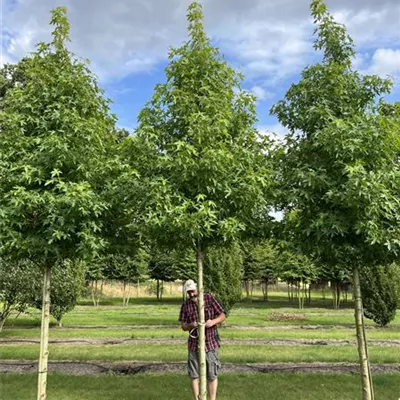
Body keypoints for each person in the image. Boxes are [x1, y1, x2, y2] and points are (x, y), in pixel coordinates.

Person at [179, 279, 226, 400]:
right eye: (188, 292)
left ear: (198, 288)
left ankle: (212, 399)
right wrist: (191, 325)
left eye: (193, 291)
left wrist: (213, 322)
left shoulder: (209, 299)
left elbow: (222, 315)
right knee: (194, 374)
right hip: (194, 344)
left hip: (210, 343)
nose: (191, 294)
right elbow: (183, 325)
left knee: (211, 374)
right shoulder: (186, 305)